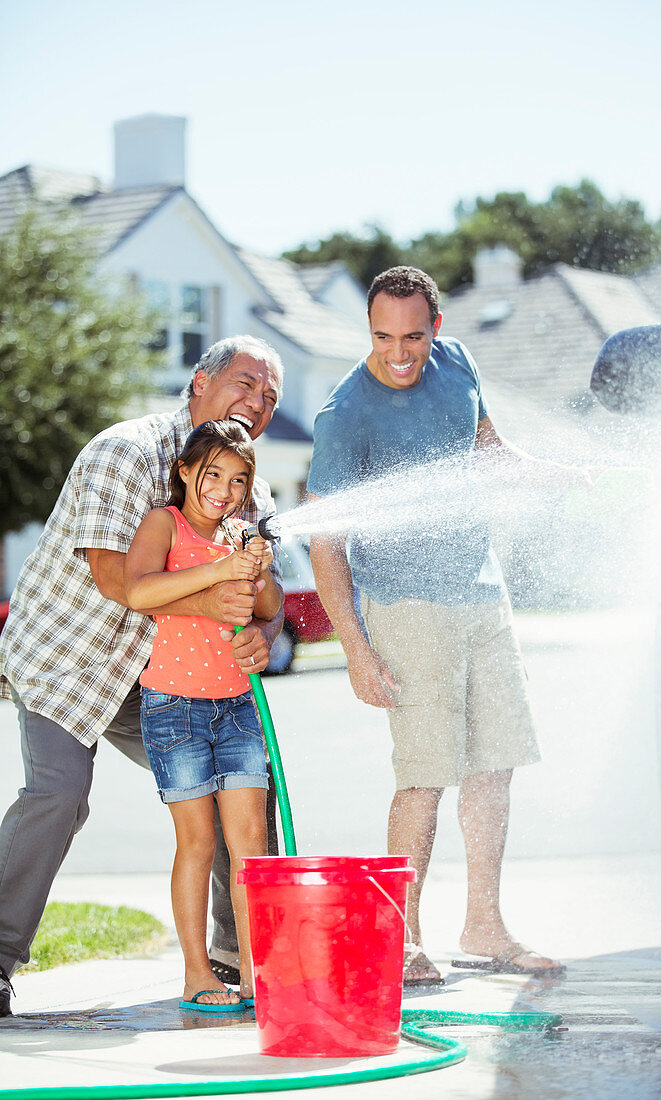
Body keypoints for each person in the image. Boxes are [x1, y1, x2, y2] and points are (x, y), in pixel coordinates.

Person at [0, 335, 284, 1018]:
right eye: (245, 383)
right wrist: (215, 596)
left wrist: (261, 639)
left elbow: (265, 596)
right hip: (72, 655)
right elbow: (111, 579)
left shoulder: (252, 484)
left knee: (242, 792)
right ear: (198, 381)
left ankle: (234, 954)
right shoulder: (123, 451)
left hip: (169, 674)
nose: (257, 402)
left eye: (270, 395)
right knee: (61, 792)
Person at [307, 267, 571, 985]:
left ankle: (483, 923)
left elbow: (486, 446)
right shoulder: (344, 414)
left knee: (495, 764)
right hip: (405, 607)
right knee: (425, 776)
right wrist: (355, 651)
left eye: (412, 337)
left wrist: (551, 475)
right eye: (382, 337)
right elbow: (324, 543)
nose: (398, 353)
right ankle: (402, 937)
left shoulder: (458, 365)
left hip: (482, 591)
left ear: (437, 328)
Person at [124, 419, 280, 1010]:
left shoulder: (240, 536)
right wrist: (218, 570)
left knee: (251, 843)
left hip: (237, 706)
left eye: (238, 480)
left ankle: (257, 968)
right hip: (175, 709)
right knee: (196, 843)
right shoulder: (164, 524)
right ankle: (197, 973)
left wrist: (255, 567)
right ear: (185, 471)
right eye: (212, 473)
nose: (224, 489)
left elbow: (266, 605)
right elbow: (139, 591)